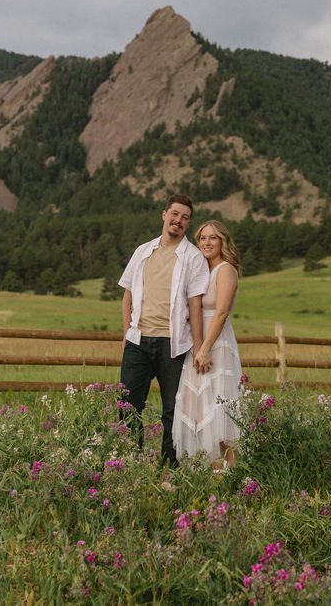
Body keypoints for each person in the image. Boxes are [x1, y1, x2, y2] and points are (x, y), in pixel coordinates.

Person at [118, 194, 209, 465]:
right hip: (138, 341)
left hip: (174, 344)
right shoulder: (143, 251)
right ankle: (128, 462)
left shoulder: (192, 257)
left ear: (188, 224)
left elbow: (195, 307)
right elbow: (128, 296)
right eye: (175, 214)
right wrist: (127, 332)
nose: (178, 220)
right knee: (128, 406)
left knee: (173, 410)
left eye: (185, 218)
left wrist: (199, 347)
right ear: (164, 214)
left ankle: (171, 466)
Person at [172, 219, 243, 470]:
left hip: (216, 345)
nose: (206, 242)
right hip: (198, 344)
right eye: (202, 238)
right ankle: (213, 473)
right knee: (199, 411)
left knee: (221, 413)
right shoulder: (202, 270)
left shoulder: (225, 269)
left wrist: (204, 349)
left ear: (223, 241)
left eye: (212, 238)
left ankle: (231, 476)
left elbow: (221, 312)